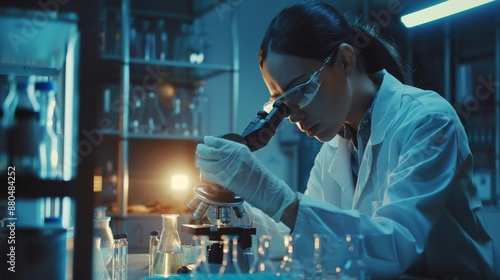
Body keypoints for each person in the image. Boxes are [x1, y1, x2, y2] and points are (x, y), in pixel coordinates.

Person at [195, 2, 497, 279]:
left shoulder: (428, 121)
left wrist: (273, 193)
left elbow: (396, 244)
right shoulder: (334, 148)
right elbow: (305, 238)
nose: (295, 115)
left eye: (300, 90)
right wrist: (237, 210)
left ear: (344, 60)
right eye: (282, 104)